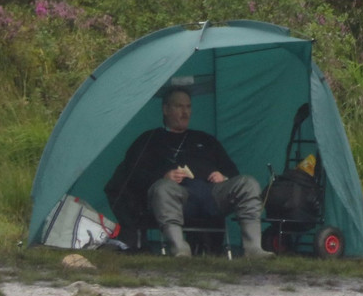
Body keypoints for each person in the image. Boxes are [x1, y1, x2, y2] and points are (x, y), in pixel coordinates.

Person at [105, 86, 273, 259]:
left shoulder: (205, 139)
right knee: (163, 188)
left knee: (248, 183)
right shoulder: (150, 139)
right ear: (165, 109)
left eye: (188, 107)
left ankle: (253, 249)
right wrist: (163, 177)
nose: (185, 112)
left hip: (212, 194)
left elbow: (232, 171)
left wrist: (224, 177)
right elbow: (134, 175)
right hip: (178, 196)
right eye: (179, 107)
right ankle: (180, 249)